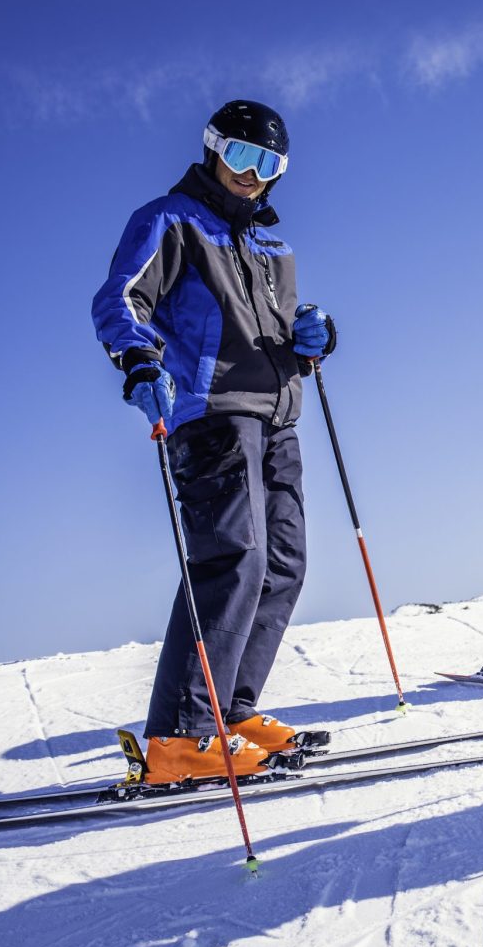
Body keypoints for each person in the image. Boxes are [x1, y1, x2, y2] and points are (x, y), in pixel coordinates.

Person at [90, 100, 338, 784]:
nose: (250, 174)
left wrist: (311, 337)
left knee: (283, 563)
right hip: (212, 416)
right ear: (211, 150)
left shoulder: (273, 248)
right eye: (240, 155)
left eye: (267, 164)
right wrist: (139, 360)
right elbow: (121, 299)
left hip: (277, 417)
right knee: (233, 559)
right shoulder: (169, 219)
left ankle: (228, 714)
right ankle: (179, 735)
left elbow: (281, 332)